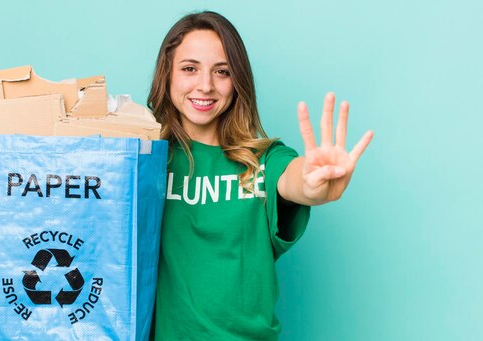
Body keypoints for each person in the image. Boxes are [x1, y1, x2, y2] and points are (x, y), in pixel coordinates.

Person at [147, 11, 373, 340]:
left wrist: (315, 184)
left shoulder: (264, 160)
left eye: (222, 72)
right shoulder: (143, 159)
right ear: (167, 76)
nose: (206, 85)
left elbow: (294, 180)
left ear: (237, 81)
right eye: (189, 68)